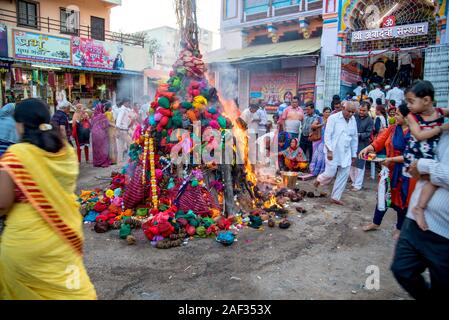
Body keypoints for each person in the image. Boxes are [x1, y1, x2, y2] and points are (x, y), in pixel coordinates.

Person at [0, 98, 96, 299]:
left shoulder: (17, 154)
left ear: (21, 124)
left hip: (25, 243)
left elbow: (2, 202)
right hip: (62, 237)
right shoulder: (65, 152)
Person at [390, 130, 449, 299]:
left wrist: (424, 165)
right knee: (402, 269)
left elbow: (419, 164)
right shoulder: (440, 128)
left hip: (445, 232)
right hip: (415, 217)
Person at [360, 103, 417, 240]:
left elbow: (410, 155)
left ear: (406, 116)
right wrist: (368, 148)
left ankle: (399, 228)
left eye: (397, 114)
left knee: (402, 200)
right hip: (389, 170)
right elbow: (378, 142)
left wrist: (391, 159)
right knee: (383, 196)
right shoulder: (392, 129)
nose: (394, 116)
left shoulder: (415, 132)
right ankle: (375, 222)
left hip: (406, 172)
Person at [403, 80, 449, 231]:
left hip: (432, 155)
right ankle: (416, 208)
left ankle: (419, 207)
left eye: (411, 101)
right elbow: (419, 135)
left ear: (427, 100)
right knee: (427, 179)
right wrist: (440, 128)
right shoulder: (412, 117)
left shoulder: (440, 112)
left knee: (433, 180)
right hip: (416, 154)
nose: (408, 106)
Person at [314, 101, 358, 205]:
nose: (351, 114)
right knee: (330, 173)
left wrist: (353, 154)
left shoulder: (353, 120)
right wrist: (329, 150)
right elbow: (327, 135)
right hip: (333, 151)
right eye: (349, 111)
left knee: (344, 174)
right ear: (343, 108)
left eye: (353, 112)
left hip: (346, 152)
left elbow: (354, 138)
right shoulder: (333, 118)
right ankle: (319, 180)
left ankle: (335, 197)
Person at [349, 102, 374, 191]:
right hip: (351, 144)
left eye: (364, 110)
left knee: (360, 165)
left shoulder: (370, 120)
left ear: (368, 110)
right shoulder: (354, 116)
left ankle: (358, 185)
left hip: (362, 145)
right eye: (360, 110)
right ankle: (353, 182)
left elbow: (368, 133)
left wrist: (357, 135)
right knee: (351, 164)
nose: (361, 112)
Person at [309, 107, 332, 176]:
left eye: (329, 112)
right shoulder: (319, 119)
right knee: (315, 156)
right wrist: (323, 124)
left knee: (323, 157)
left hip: (326, 141)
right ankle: (314, 171)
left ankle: (322, 172)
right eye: (326, 112)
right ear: (323, 112)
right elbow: (312, 126)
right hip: (318, 140)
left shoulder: (331, 120)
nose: (327, 113)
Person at [115, 98, 132, 164]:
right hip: (122, 131)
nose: (129, 104)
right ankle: (130, 160)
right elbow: (118, 120)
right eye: (128, 103)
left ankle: (119, 163)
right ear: (125, 103)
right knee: (131, 144)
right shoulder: (122, 110)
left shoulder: (126, 109)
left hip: (123, 130)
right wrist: (117, 131)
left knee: (120, 148)